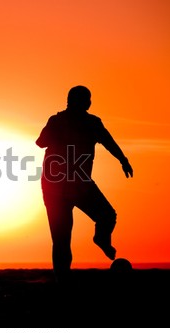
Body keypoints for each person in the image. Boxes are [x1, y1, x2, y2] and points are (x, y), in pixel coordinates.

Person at [35, 86, 133, 283]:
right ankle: (63, 280)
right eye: (87, 99)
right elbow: (41, 142)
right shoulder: (59, 121)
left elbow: (108, 142)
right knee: (62, 238)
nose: (89, 103)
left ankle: (101, 239)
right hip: (59, 187)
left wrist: (123, 159)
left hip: (75, 184)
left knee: (105, 216)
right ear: (82, 102)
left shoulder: (92, 123)